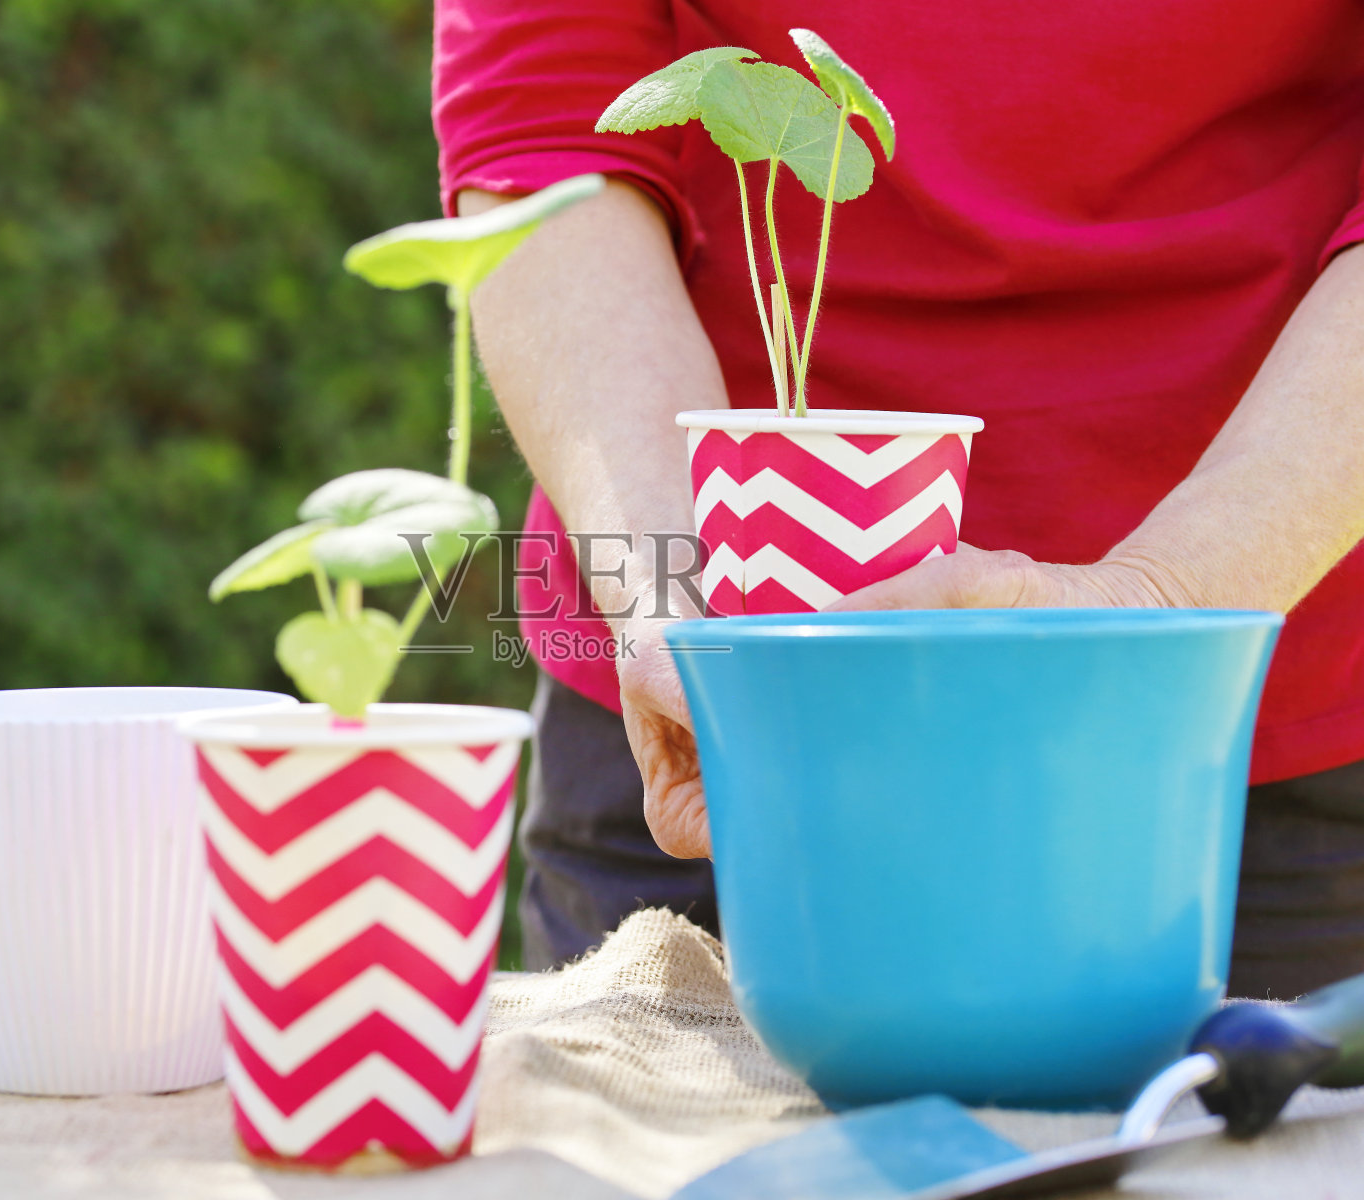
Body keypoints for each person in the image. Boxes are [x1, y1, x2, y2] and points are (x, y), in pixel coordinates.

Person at [430, 2, 1364, 997]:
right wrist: (672, 592)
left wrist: (1164, 600)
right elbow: (546, 126)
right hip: (707, 711)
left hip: (1242, 696)